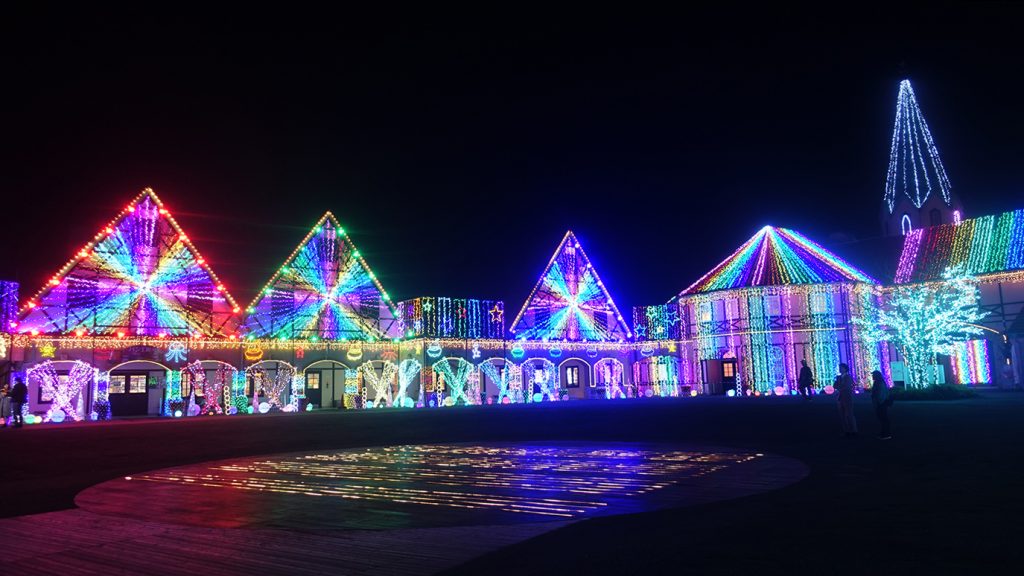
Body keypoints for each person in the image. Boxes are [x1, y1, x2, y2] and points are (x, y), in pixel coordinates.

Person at [835, 363, 857, 436]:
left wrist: (839, 387)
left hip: (847, 397)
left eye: (841, 368)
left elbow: (846, 387)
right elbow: (835, 386)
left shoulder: (848, 377)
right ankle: (846, 431)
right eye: (839, 368)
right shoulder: (839, 377)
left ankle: (853, 430)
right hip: (840, 397)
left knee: (849, 414)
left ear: (845, 369)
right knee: (842, 415)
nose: (840, 369)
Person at [871, 370, 893, 439]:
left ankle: (886, 434)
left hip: (881, 403)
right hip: (881, 403)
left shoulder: (879, 383)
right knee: (883, 419)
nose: (872, 376)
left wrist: (879, 402)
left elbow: (881, 394)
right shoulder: (879, 382)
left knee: (883, 418)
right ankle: (884, 433)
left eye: (873, 375)